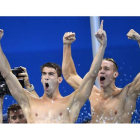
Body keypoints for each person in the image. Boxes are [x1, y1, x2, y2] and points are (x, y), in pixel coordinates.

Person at [0, 20, 107, 123]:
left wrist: (102, 46)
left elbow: (92, 74)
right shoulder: (29, 102)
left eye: (51, 74)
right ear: (41, 79)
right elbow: (7, 74)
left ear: (59, 79)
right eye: (44, 74)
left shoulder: (71, 102)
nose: (47, 77)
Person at [62, 22, 140, 123]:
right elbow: (69, 75)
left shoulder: (127, 94)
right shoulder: (92, 93)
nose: (101, 71)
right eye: (99, 69)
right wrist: (66, 45)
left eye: (106, 69)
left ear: (115, 74)